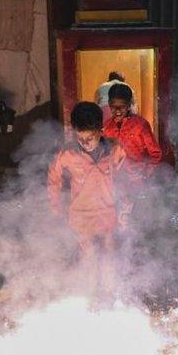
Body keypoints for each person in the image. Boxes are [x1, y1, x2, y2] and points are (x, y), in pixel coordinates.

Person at [47, 102, 126, 269]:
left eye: (90, 138)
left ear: (100, 130)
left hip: (107, 211)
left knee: (109, 252)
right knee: (87, 255)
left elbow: (124, 180)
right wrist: (55, 210)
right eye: (80, 138)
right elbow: (54, 181)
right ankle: (88, 290)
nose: (85, 143)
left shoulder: (114, 150)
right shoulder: (67, 153)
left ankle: (109, 290)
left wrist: (125, 208)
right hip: (80, 214)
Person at [102, 83, 162, 226]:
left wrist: (145, 174)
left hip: (136, 182)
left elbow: (156, 154)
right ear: (109, 104)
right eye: (113, 106)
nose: (117, 110)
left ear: (129, 105)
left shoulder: (140, 125)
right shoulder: (106, 127)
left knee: (135, 223)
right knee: (115, 221)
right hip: (114, 182)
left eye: (121, 106)